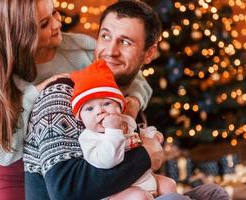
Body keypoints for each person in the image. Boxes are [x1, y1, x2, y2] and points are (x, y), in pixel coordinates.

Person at [24, 0, 229, 200]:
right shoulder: (63, 95)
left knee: (212, 194)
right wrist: (144, 155)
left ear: (149, 54)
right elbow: (64, 191)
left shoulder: (128, 103)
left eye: (125, 42)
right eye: (105, 36)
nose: (110, 51)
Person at [0, 0, 155, 199]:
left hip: (78, 166)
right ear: (19, 33)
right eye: (44, 24)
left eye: (54, 13)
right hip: (19, 176)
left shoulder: (81, 49)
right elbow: (2, 154)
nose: (57, 24)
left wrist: (133, 102)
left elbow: (135, 77)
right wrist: (37, 93)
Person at [70, 60, 177, 199]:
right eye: (89, 109)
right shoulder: (89, 138)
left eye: (107, 103)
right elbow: (108, 160)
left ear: (120, 106)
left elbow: (138, 135)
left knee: (170, 184)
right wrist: (113, 131)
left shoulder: (127, 121)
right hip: (119, 191)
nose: (100, 111)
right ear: (80, 118)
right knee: (140, 197)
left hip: (143, 179)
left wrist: (152, 135)